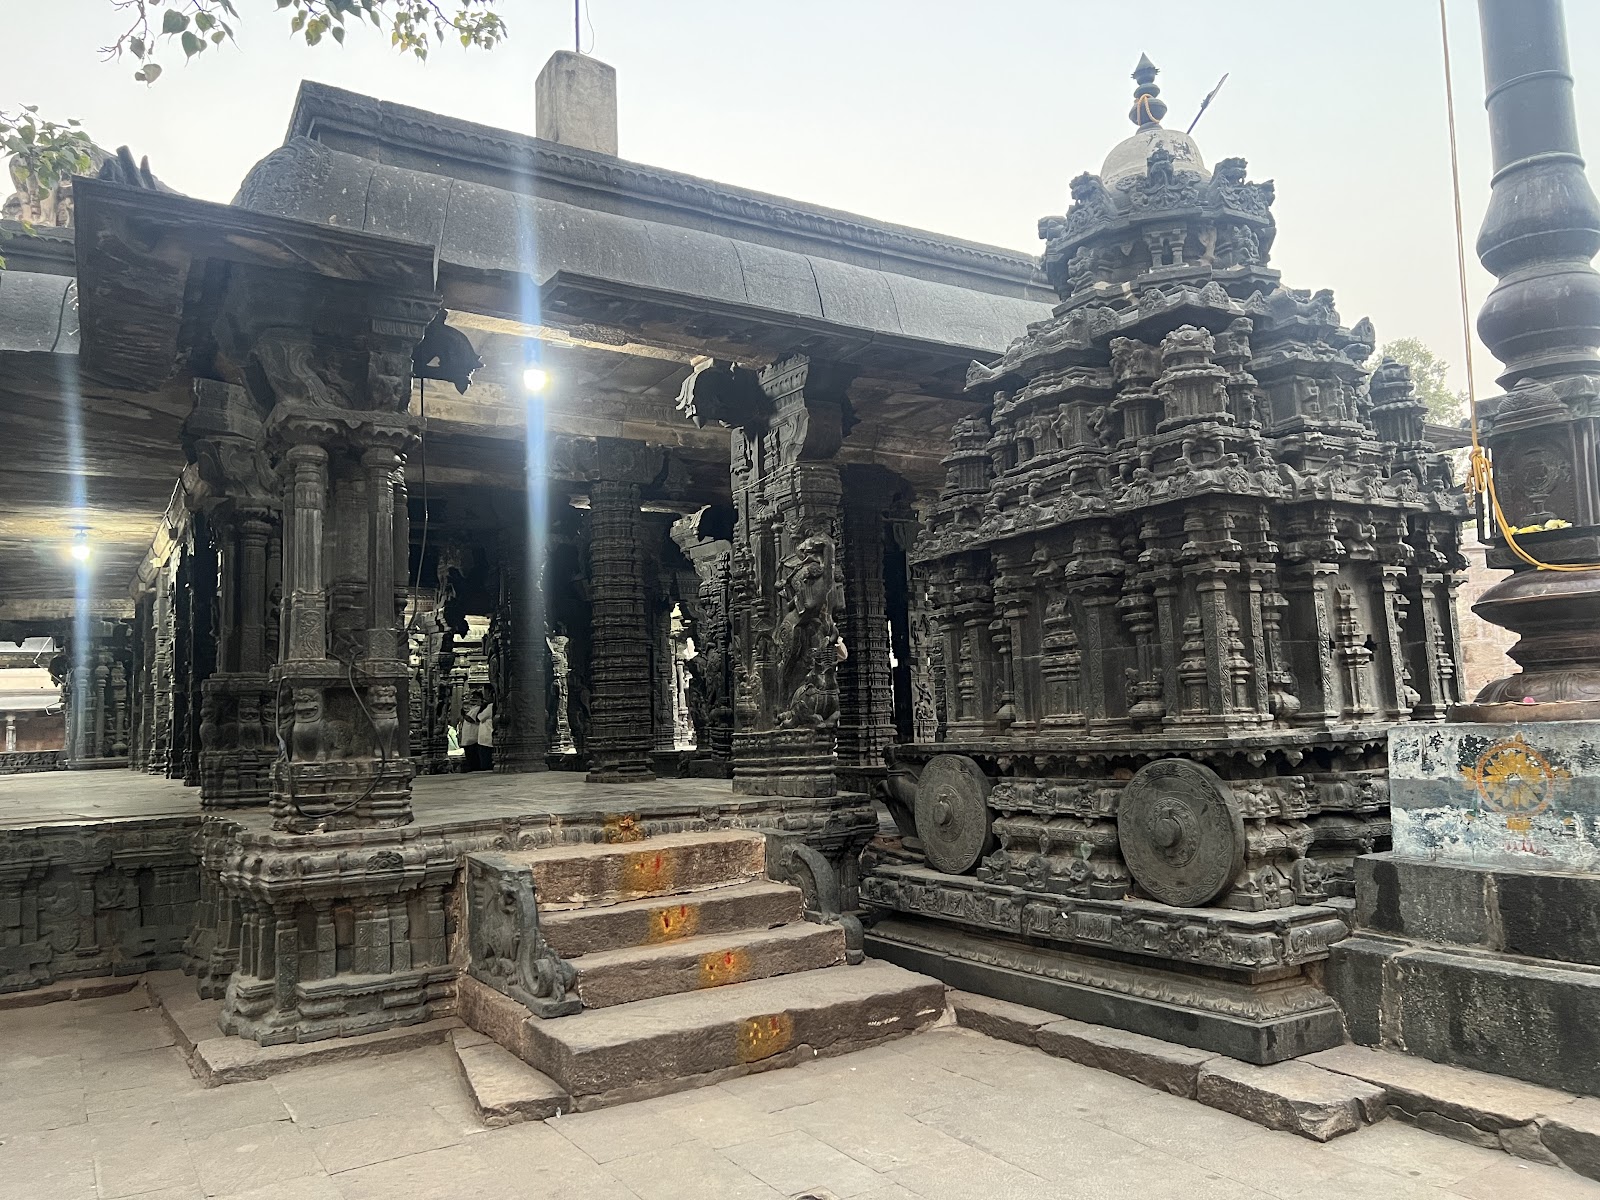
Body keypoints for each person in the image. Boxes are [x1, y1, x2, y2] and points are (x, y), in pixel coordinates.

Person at [459, 689, 483, 771]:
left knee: (473, 753)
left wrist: (464, 716)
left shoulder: (479, 708)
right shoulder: (473, 708)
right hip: (468, 734)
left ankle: (475, 767)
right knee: (468, 753)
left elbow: (473, 719)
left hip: (473, 735)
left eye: (475, 698)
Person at [477, 688, 495, 772]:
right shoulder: (492, 706)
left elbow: (480, 717)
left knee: (485, 756)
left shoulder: (490, 706)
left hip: (486, 735)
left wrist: (481, 707)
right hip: (489, 733)